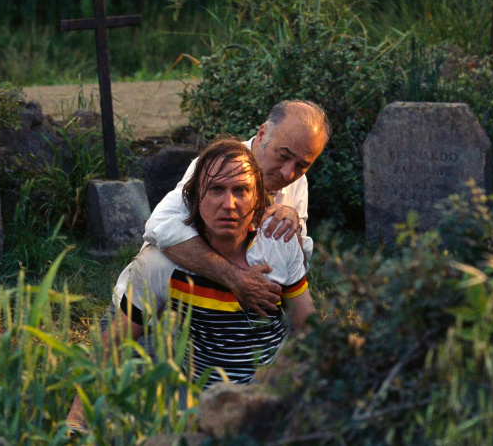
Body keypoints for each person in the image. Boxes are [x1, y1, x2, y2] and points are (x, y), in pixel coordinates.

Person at [66, 139, 314, 428]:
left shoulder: (279, 246)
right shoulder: (158, 265)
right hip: (201, 409)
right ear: (194, 198)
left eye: (241, 191)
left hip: (273, 401)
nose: (229, 204)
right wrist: (75, 423)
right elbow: (112, 348)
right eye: (216, 190)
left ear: (258, 199)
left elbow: (310, 332)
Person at [140, 100, 329, 316]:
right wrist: (235, 278)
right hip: (170, 307)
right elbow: (158, 228)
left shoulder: (298, 181)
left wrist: (292, 227)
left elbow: (298, 266)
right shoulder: (215, 167)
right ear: (262, 134)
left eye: (302, 165)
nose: (288, 173)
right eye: (283, 156)